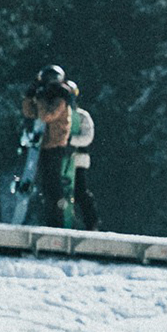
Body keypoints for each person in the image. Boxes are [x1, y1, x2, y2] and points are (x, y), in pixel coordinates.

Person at [27, 82, 76, 228]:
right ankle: (49, 219)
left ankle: (57, 221)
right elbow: (30, 112)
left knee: (53, 186)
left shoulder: (60, 99)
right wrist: (29, 98)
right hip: (45, 146)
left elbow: (46, 116)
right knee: (46, 186)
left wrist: (40, 100)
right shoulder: (48, 100)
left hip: (55, 146)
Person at [67, 82, 100, 231]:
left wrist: (70, 141)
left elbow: (87, 137)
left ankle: (91, 223)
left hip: (78, 159)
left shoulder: (82, 116)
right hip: (62, 160)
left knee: (80, 191)